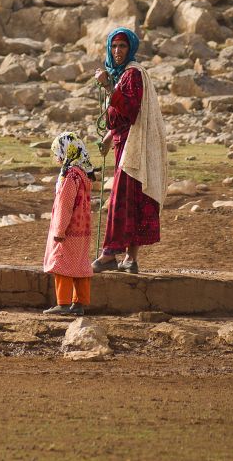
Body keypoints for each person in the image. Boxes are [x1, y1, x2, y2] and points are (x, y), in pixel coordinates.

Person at [91, 27, 168, 274]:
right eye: (114, 47)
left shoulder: (133, 75)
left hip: (132, 149)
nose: (117, 51)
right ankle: (131, 260)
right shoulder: (123, 75)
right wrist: (108, 137)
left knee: (121, 201)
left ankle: (109, 255)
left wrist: (107, 88)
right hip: (124, 145)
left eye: (122, 46)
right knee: (133, 199)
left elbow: (131, 110)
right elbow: (123, 118)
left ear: (131, 48)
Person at [43, 132, 96, 316]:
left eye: (57, 152)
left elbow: (65, 205)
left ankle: (63, 303)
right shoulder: (83, 174)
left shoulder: (70, 176)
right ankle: (79, 303)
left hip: (69, 228)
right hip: (83, 228)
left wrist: (59, 229)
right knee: (80, 263)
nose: (56, 157)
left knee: (62, 263)